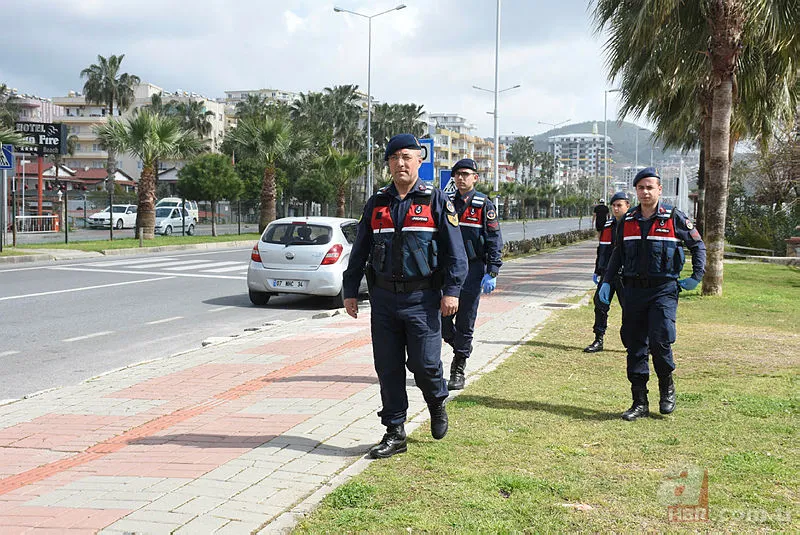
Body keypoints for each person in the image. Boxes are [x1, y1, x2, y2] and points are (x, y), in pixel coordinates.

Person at [343, 134, 468, 459]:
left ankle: (437, 401)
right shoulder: (377, 203)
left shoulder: (435, 200)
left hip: (422, 299)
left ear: (419, 161)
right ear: (388, 163)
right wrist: (350, 289)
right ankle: (394, 432)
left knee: (425, 365)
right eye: (395, 157)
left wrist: (452, 291)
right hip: (383, 299)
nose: (401, 162)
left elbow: (457, 254)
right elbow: (360, 251)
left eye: (407, 157)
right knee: (388, 367)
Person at [600, 167, 706, 421]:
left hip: (663, 290)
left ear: (659, 189)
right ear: (636, 191)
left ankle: (666, 389)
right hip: (633, 290)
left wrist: (696, 277)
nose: (645, 192)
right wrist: (606, 281)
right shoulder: (627, 220)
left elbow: (697, 245)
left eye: (650, 187)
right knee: (635, 345)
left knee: (660, 341)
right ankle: (639, 401)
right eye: (641, 188)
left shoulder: (673, 217)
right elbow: (617, 253)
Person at [441, 158, 503, 390]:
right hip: (447, 269)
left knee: (466, 318)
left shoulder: (483, 205)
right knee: (442, 318)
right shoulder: (445, 202)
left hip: (472, 269)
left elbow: (494, 239)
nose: (461, 178)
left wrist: (493, 270)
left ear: (475, 178)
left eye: (466, 174)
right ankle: (461, 345)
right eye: (457, 174)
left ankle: (458, 367)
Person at [584, 191, 630, 353]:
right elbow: (602, 250)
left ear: (627, 206)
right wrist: (598, 270)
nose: (616, 209)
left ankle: (634, 342)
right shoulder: (608, 226)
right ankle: (598, 338)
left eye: (620, 205)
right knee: (600, 305)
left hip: (627, 275)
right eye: (614, 206)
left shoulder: (634, 225)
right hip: (607, 274)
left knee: (630, 309)